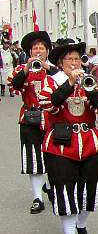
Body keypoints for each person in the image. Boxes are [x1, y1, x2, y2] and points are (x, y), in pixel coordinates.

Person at [36, 39, 98, 234]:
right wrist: (69, 83)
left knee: (94, 187)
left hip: (89, 140)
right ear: (61, 63)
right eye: (69, 59)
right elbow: (49, 104)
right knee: (65, 190)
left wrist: (90, 89)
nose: (74, 62)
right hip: (61, 143)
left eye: (77, 59)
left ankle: (81, 223)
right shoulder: (52, 82)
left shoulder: (89, 82)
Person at [8, 30, 54, 214]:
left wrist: (47, 66)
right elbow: (16, 86)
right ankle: (37, 198)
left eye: (41, 48)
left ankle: (50, 185)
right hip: (29, 118)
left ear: (47, 51)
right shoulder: (22, 69)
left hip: (52, 118)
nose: (38, 51)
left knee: (53, 156)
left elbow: (65, 80)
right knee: (33, 159)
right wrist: (27, 68)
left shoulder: (53, 69)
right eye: (35, 48)